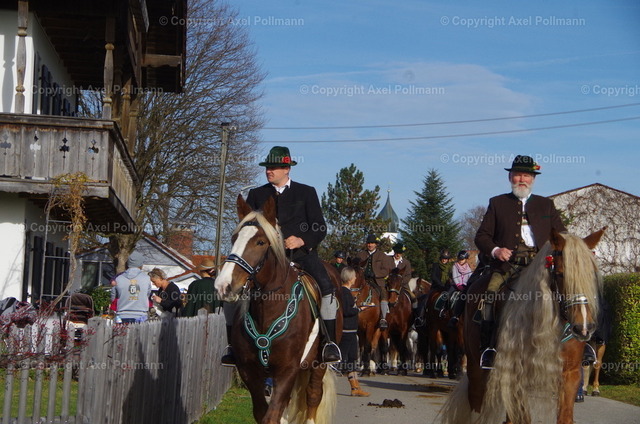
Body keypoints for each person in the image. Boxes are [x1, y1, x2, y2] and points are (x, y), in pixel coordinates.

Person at [222, 146, 341, 366]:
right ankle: (231, 346)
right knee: (230, 290)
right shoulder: (257, 194)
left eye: (274, 167)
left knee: (326, 288)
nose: (269, 171)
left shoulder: (306, 192)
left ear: (287, 169)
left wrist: (302, 240)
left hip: (301, 255)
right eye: (267, 167)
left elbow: (319, 227)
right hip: (266, 259)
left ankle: (329, 343)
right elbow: (250, 228)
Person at [475, 154, 566, 368]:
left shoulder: (546, 205)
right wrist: (496, 250)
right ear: (510, 178)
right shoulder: (497, 203)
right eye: (517, 175)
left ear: (533, 179)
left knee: (569, 293)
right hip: (508, 266)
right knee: (490, 296)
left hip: (541, 265)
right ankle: (489, 347)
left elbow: (563, 235)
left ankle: (578, 344)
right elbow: (482, 236)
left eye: (526, 175)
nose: (522, 179)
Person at [339, 266, 370, 397]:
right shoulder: (344, 292)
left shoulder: (346, 292)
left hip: (351, 330)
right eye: (354, 276)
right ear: (350, 278)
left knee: (352, 358)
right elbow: (347, 311)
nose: (356, 278)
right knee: (342, 359)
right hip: (346, 330)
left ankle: (355, 387)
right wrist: (360, 309)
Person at [355, 233, 395, 329]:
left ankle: (383, 318)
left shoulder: (382, 256)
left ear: (376, 244)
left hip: (377, 281)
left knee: (383, 294)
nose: (370, 245)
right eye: (369, 243)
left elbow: (386, 270)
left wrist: (375, 274)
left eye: (372, 243)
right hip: (363, 280)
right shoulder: (360, 254)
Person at [112, 251, 152, 324]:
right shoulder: (146, 278)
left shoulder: (119, 278)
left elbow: (113, 297)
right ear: (140, 264)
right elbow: (147, 294)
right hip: (141, 316)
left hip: (121, 316)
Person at [447, 250, 472, 328]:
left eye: (462, 259)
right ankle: (444, 309)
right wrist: (458, 285)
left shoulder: (468, 267)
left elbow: (470, 276)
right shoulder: (455, 266)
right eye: (459, 259)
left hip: (465, 286)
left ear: (466, 259)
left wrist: (468, 285)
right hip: (455, 285)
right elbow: (454, 276)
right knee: (448, 295)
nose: (460, 261)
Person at [391, 242, 417, 309]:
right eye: (396, 252)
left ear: (402, 253)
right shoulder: (388, 260)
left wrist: (400, 282)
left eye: (399, 253)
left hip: (403, 286)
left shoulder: (406, 262)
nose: (398, 254)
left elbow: (408, 276)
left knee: (413, 297)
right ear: (394, 252)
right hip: (390, 285)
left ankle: (415, 312)